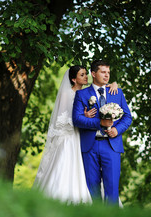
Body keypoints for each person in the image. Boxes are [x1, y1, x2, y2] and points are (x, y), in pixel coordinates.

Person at [33, 65, 118, 204]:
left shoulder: (86, 93)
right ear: (73, 79)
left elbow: (101, 87)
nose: (86, 77)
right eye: (82, 75)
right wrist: (83, 117)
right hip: (70, 137)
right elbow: (62, 120)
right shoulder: (67, 94)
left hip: (83, 137)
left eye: (86, 74)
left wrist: (114, 84)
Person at [72, 60, 132, 204]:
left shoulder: (117, 92)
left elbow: (127, 117)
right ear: (93, 74)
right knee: (92, 188)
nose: (107, 75)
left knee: (112, 189)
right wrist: (99, 123)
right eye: (103, 72)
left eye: (108, 72)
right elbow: (77, 120)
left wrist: (117, 130)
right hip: (90, 146)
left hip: (111, 146)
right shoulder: (82, 94)